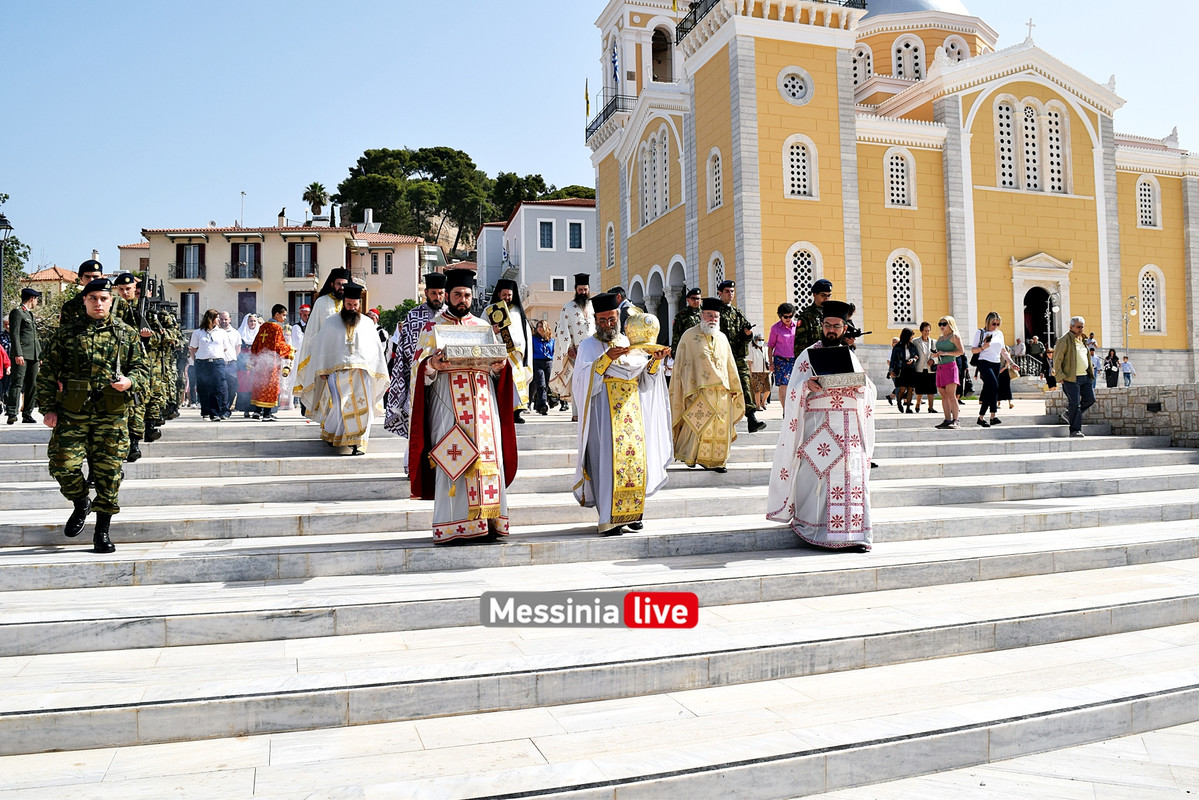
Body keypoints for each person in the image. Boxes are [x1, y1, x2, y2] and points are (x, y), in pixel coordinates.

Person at [36, 278, 149, 554]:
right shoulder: (67, 333)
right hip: (73, 412)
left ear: (112, 301)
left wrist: (130, 381)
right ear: (84, 301)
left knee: (108, 474)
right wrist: (48, 408)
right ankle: (80, 502)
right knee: (63, 464)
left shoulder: (126, 334)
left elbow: (143, 370)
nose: (98, 303)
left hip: (111, 415)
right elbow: (48, 372)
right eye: (93, 298)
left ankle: (102, 532)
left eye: (103, 298)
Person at [408, 268, 518, 543]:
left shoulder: (483, 328)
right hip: (448, 406)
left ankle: (489, 522)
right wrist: (432, 364)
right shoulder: (433, 329)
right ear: (448, 295)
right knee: (453, 461)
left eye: (467, 295)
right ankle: (455, 526)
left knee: (486, 459)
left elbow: (498, 372)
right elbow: (417, 369)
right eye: (457, 294)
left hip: (482, 406)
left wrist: (498, 368)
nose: (463, 299)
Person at [767, 300, 876, 552]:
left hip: (848, 430)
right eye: (827, 325)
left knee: (851, 480)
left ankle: (855, 534)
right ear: (822, 326)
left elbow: (868, 389)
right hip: (819, 430)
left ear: (845, 328)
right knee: (817, 479)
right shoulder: (808, 354)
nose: (831, 330)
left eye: (836, 326)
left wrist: (860, 386)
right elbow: (794, 389)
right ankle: (818, 531)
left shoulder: (849, 354)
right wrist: (808, 385)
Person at [573, 292, 671, 536]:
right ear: (596, 320)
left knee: (633, 464)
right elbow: (581, 383)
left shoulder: (630, 342)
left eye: (611, 319)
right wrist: (605, 360)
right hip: (603, 417)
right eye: (603, 320)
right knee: (607, 464)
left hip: (631, 414)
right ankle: (609, 517)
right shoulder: (588, 346)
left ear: (619, 317)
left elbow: (644, 381)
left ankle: (633, 513)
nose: (608, 324)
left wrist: (655, 362)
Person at [296, 284, 388, 455]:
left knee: (363, 407)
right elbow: (322, 347)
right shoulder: (331, 322)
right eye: (349, 305)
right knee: (340, 406)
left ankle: (358, 443)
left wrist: (377, 371)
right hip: (337, 374)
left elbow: (375, 351)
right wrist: (322, 369)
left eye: (355, 305)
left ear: (359, 304)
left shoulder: (367, 323)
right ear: (344, 303)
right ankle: (336, 435)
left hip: (363, 374)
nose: (352, 309)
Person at [670, 297, 744, 473]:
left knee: (719, 428)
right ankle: (691, 456)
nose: (712, 319)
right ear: (701, 315)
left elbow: (730, 364)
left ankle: (718, 461)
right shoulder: (688, 336)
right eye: (709, 315)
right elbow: (681, 364)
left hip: (722, 392)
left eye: (715, 316)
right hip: (698, 390)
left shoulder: (723, 338)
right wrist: (687, 386)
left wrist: (734, 387)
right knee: (697, 425)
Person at [383, 272, 447, 440]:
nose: (437, 297)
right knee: (419, 424)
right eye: (433, 293)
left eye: (440, 293)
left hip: (445, 377)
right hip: (417, 376)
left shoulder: (449, 315)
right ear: (425, 293)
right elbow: (406, 349)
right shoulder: (413, 315)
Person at [111, 273, 155, 460]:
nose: (124, 292)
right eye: (120, 289)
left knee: (137, 401)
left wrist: (149, 336)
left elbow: (165, 335)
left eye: (128, 289)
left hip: (139, 360)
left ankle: (134, 442)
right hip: (117, 360)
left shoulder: (145, 309)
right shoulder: (112, 307)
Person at [292, 268, 351, 398]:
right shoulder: (321, 302)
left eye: (344, 284)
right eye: (339, 284)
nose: (342, 287)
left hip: (345, 355)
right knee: (326, 396)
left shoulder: (350, 303)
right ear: (332, 284)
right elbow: (313, 333)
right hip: (326, 355)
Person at [716, 280, 764, 433]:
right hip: (722, 357)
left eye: (732, 291)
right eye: (727, 291)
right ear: (720, 293)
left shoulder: (737, 313)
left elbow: (748, 337)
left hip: (738, 356)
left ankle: (751, 418)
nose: (730, 294)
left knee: (745, 384)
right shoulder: (716, 313)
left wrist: (748, 334)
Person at [485, 278, 533, 424]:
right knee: (500, 385)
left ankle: (516, 413)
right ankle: (500, 412)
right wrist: (491, 330)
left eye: (509, 295)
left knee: (517, 386)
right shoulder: (490, 310)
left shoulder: (518, 311)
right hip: (497, 355)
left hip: (517, 355)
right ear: (499, 294)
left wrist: (523, 351)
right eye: (504, 294)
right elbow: (481, 329)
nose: (507, 297)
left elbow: (525, 334)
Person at [549, 272, 595, 419]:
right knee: (578, 383)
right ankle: (576, 414)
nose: (583, 292)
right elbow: (562, 330)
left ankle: (591, 413)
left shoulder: (594, 306)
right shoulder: (567, 308)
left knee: (594, 382)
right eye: (580, 290)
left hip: (594, 351)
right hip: (577, 352)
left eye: (585, 290)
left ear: (589, 289)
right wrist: (569, 348)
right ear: (575, 289)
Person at [1053, 316, 1095, 438]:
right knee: (1075, 404)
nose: (1081, 329)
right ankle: (1075, 431)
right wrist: (1059, 375)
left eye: (1082, 326)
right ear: (1071, 327)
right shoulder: (1064, 340)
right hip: (1070, 378)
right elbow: (1058, 359)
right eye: (1078, 327)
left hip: (1085, 377)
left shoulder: (1082, 340)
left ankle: (1069, 414)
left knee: (1090, 399)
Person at [250, 304, 295, 421]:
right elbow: (279, 345)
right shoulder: (277, 328)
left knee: (260, 385)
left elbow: (255, 343)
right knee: (270, 387)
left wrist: (254, 358)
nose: (285, 318)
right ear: (277, 314)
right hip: (271, 363)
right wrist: (290, 349)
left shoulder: (263, 326)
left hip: (261, 361)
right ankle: (266, 414)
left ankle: (257, 412)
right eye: (283, 315)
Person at [7, 287, 43, 424]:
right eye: (37, 299)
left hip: (33, 355)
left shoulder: (30, 315)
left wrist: (39, 356)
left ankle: (27, 413)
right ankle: (12, 413)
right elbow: (14, 334)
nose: (37, 302)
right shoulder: (17, 312)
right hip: (22, 354)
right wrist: (17, 353)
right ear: (32, 298)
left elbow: (34, 337)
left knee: (32, 384)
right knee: (17, 383)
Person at [189, 309, 231, 421]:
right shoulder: (198, 333)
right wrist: (197, 360)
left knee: (217, 388)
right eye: (217, 318)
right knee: (203, 388)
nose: (219, 320)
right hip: (202, 363)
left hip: (217, 363)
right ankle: (205, 412)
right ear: (210, 319)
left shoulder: (222, 332)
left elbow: (225, 348)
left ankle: (215, 412)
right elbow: (193, 348)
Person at [970, 311, 1006, 427]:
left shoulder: (999, 334)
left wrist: (1011, 363)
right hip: (984, 362)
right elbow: (973, 350)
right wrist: (983, 347)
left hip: (996, 363)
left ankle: (984, 417)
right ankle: (992, 416)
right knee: (994, 386)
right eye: (993, 323)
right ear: (988, 322)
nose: (995, 326)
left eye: (998, 324)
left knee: (991, 388)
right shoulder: (980, 332)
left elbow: (1003, 351)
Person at [933, 316, 964, 428]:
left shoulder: (954, 336)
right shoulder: (940, 338)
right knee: (943, 395)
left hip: (950, 367)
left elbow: (961, 351)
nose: (941, 326)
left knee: (951, 395)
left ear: (950, 324)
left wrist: (946, 353)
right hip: (940, 367)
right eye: (940, 324)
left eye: (944, 324)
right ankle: (947, 419)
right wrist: (935, 355)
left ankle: (956, 420)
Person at [57, 259, 107, 330]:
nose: (91, 280)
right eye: (87, 277)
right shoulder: (71, 306)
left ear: (102, 277)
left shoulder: (117, 304)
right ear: (81, 279)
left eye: (95, 277)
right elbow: (63, 335)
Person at [768, 302, 797, 413]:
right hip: (781, 360)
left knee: (794, 384)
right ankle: (786, 411)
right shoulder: (775, 329)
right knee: (783, 384)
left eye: (790, 316)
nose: (788, 319)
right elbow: (770, 346)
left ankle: (793, 408)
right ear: (781, 316)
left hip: (794, 359)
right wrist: (771, 363)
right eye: (786, 317)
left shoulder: (797, 327)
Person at [793, 278, 832, 356]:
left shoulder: (832, 314)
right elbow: (799, 346)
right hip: (814, 358)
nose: (826, 298)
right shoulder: (806, 316)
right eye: (823, 295)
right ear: (814, 294)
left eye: (828, 295)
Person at [235, 314, 261, 417]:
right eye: (251, 321)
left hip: (256, 360)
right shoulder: (240, 333)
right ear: (246, 322)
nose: (253, 323)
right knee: (245, 385)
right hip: (243, 362)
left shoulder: (260, 333)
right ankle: (245, 409)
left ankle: (256, 408)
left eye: (255, 321)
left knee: (256, 384)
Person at [889, 328, 919, 413]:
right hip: (901, 369)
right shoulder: (898, 347)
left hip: (911, 369)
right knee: (902, 389)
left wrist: (913, 360)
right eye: (911, 336)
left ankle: (908, 407)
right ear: (907, 336)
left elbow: (916, 356)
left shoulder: (912, 346)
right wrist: (891, 370)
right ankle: (899, 402)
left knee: (910, 389)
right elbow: (893, 358)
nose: (912, 338)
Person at [215, 311, 238, 419]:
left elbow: (237, 349)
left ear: (230, 320)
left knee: (232, 388)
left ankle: (227, 408)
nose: (224, 321)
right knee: (220, 388)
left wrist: (232, 359)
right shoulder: (215, 332)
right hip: (219, 364)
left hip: (231, 364)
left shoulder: (235, 333)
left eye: (226, 319)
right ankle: (223, 410)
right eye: (222, 319)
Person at [531, 319, 555, 415]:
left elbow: (553, 352)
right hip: (537, 362)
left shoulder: (551, 340)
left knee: (548, 384)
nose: (539, 329)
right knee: (541, 384)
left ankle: (538, 405)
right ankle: (542, 405)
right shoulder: (533, 339)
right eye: (538, 327)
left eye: (541, 326)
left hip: (548, 362)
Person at [912, 321, 937, 414]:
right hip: (919, 368)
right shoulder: (915, 342)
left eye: (928, 330)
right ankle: (918, 403)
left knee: (931, 389)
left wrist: (933, 361)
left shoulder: (934, 342)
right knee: (919, 388)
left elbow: (937, 355)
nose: (927, 332)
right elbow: (913, 353)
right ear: (921, 331)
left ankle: (931, 407)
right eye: (925, 330)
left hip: (930, 369)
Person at [670, 288, 702, 352]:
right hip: (688, 349)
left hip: (702, 348)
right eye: (693, 298)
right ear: (688, 300)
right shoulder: (681, 316)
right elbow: (676, 335)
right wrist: (675, 352)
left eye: (698, 298)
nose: (696, 301)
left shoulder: (705, 314)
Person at [748, 334, 770, 411]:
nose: (761, 341)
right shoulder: (752, 350)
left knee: (767, 390)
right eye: (759, 340)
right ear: (755, 341)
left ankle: (763, 402)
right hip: (755, 372)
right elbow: (749, 362)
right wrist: (750, 372)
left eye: (762, 340)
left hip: (765, 371)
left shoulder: (766, 349)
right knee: (758, 390)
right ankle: (758, 405)